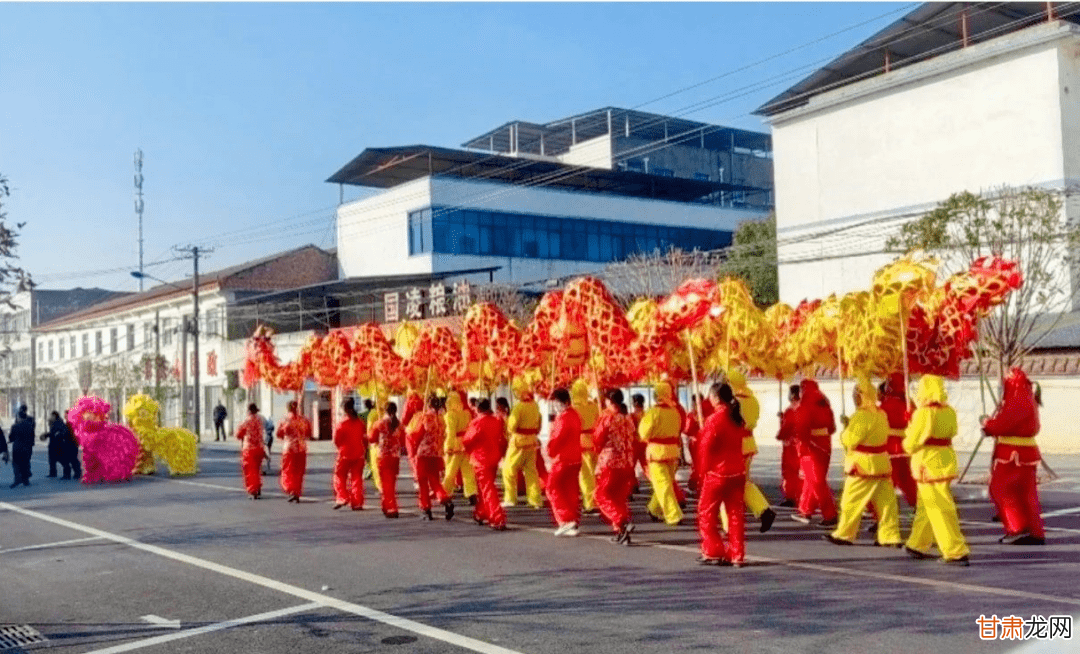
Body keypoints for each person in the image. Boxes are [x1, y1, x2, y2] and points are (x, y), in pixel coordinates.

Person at [824, 378, 902, 548]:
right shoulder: (881, 414)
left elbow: (850, 440)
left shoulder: (861, 416)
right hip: (881, 463)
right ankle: (890, 536)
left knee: (850, 502)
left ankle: (845, 534)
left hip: (863, 465)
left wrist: (846, 428)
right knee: (887, 504)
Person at [903, 375, 971, 566]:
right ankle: (917, 543)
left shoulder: (924, 413)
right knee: (926, 505)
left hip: (928, 463)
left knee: (938, 508)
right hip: (945, 460)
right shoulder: (949, 411)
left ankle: (955, 551)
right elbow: (953, 431)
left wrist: (910, 428)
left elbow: (911, 443)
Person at [982, 368, 1045, 546]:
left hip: (1012, 454)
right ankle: (1035, 530)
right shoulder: (1027, 397)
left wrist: (988, 424)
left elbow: (1005, 422)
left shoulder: (1018, 398)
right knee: (1027, 493)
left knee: (1001, 489)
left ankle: (1017, 528)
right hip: (1026, 452)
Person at [696, 383, 748, 567]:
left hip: (718, 474)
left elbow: (705, 450)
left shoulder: (714, 420)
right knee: (735, 515)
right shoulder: (737, 418)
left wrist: (700, 474)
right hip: (738, 472)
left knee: (706, 513)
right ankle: (737, 554)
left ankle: (713, 550)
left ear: (716, 398)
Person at [726, 369, 777, 533]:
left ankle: (730, 524)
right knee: (743, 481)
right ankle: (763, 509)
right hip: (749, 443)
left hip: (734, 445)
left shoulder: (732, 402)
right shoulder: (753, 400)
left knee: (727, 484)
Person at [791, 379, 838, 527]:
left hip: (812, 446)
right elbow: (832, 428)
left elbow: (801, 429)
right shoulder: (825, 402)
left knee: (817, 482)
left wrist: (800, 449)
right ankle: (805, 510)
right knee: (812, 479)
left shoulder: (805, 404)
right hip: (825, 444)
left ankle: (830, 515)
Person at [593, 388, 637, 545]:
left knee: (601, 495)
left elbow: (597, 440)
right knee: (618, 498)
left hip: (610, 462)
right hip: (627, 462)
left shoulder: (607, 418)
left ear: (609, 401)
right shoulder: (627, 418)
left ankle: (621, 521)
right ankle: (621, 531)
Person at [639, 381, 684, 526]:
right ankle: (653, 509)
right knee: (666, 484)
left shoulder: (653, 412)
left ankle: (673, 515)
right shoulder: (674, 411)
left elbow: (643, 432)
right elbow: (679, 429)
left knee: (663, 485)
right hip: (673, 451)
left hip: (657, 451)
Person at [406, 395, 455, 520]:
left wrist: (410, 437)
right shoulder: (441, 419)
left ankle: (426, 508)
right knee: (435, 481)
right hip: (436, 453)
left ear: (428, 404)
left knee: (422, 483)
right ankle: (445, 499)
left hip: (423, 454)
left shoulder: (424, 417)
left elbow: (416, 435)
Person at [462, 398, 507, 530]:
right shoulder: (496, 421)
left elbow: (468, 440)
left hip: (481, 459)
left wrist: (467, 450)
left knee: (488, 489)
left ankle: (497, 517)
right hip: (494, 457)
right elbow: (502, 439)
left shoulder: (477, 423)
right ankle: (481, 512)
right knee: (485, 488)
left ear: (477, 408)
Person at [501, 379, 543, 509]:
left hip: (518, 442)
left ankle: (510, 498)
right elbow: (539, 422)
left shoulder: (519, 407)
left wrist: (507, 427)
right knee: (531, 472)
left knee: (508, 470)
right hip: (531, 441)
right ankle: (535, 500)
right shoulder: (535, 405)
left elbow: (512, 426)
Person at [546, 387, 582, 537]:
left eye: (557, 403)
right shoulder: (575, 415)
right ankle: (572, 520)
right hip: (575, 457)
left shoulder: (563, 418)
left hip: (563, 459)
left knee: (552, 488)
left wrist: (550, 449)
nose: (556, 406)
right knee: (570, 491)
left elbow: (557, 439)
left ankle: (565, 519)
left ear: (565, 402)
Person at [880, 373, 917, 510]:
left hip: (890, 444)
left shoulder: (886, 403)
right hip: (906, 443)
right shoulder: (908, 403)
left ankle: (884, 510)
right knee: (906, 478)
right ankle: (915, 502)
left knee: (890, 480)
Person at [442, 390, 478, 504]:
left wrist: (448, 446)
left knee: (450, 470)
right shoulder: (466, 413)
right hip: (465, 444)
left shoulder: (450, 415)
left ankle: (445, 493)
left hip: (455, 444)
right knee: (468, 471)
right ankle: (472, 493)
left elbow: (450, 432)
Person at [571, 380, 601, 514]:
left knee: (585, 477)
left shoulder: (574, 408)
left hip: (581, 443)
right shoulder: (594, 406)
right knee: (593, 475)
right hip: (594, 442)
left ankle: (590, 504)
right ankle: (595, 501)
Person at [333, 397, 368, 511]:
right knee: (357, 478)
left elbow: (337, 440)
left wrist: (341, 448)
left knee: (340, 476)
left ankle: (342, 497)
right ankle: (357, 502)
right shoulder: (360, 422)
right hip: (359, 453)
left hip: (345, 453)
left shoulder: (342, 424)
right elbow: (364, 438)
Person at [368, 401, 402, 517]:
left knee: (386, 484)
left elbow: (372, 438)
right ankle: (385, 505)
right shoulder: (399, 424)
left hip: (383, 456)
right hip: (395, 457)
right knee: (391, 483)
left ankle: (392, 507)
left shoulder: (380, 423)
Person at [277, 401, 312, 503]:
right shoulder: (304, 420)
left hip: (289, 448)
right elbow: (309, 433)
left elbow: (279, 434)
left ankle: (291, 489)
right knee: (299, 472)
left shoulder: (284, 420)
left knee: (288, 470)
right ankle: (297, 491)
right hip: (301, 448)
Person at [776, 384, 802, 507]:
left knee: (789, 471)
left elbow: (786, 428)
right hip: (803, 444)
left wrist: (780, 434)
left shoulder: (791, 409)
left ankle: (791, 496)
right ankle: (801, 495)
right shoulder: (805, 408)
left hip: (791, 445)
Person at [237, 404, 268, 499]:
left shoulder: (246, 421)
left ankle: (253, 490)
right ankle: (258, 487)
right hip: (259, 447)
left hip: (249, 448)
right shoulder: (260, 420)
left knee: (250, 470)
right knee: (258, 469)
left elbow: (238, 434)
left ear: (248, 410)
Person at [8, 405, 35, 488]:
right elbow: (32, 437)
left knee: (16, 464)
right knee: (25, 463)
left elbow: (11, 437)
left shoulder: (15, 426)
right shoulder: (30, 426)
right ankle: (25, 480)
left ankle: (17, 479)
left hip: (17, 448)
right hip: (27, 447)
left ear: (18, 417)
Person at [41, 410, 71, 478]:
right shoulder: (53, 423)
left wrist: (59, 434)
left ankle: (67, 474)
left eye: (51, 416)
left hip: (59, 444)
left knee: (62, 460)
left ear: (54, 416)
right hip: (52, 444)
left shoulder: (59, 422)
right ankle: (53, 473)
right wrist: (46, 435)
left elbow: (64, 431)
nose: (50, 417)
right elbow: (52, 433)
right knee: (51, 460)